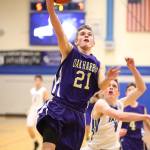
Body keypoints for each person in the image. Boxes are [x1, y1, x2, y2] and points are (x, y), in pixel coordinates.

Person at [36, 0, 120, 150]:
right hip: (58, 107)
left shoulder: (98, 64)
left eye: (89, 34)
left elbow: (102, 86)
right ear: (76, 40)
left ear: (93, 42)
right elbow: (57, 28)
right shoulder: (69, 50)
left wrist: (109, 78)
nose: (86, 35)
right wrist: (50, 6)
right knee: (48, 146)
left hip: (78, 114)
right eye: (82, 34)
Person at [82, 58, 150, 150]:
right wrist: (145, 116)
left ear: (118, 92)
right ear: (103, 91)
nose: (111, 88)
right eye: (108, 86)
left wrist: (133, 69)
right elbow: (120, 116)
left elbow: (141, 89)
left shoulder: (120, 104)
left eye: (114, 86)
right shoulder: (100, 103)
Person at [120, 83, 148, 150]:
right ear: (126, 93)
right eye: (129, 90)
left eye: (133, 90)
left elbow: (147, 125)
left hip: (139, 140)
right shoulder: (121, 107)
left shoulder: (142, 108)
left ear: (137, 93)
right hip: (125, 139)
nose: (131, 92)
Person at [27, 75, 49, 150]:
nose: (37, 82)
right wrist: (30, 109)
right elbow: (33, 102)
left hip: (39, 111)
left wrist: (46, 112)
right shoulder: (32, 90)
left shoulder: (43, 90)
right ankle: (35, 142)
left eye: (39, 80)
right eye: (36, 80)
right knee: (29, 127)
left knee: (40, 130)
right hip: (32, 110)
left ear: (41, 81)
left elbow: (46, 102)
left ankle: (46, 144)